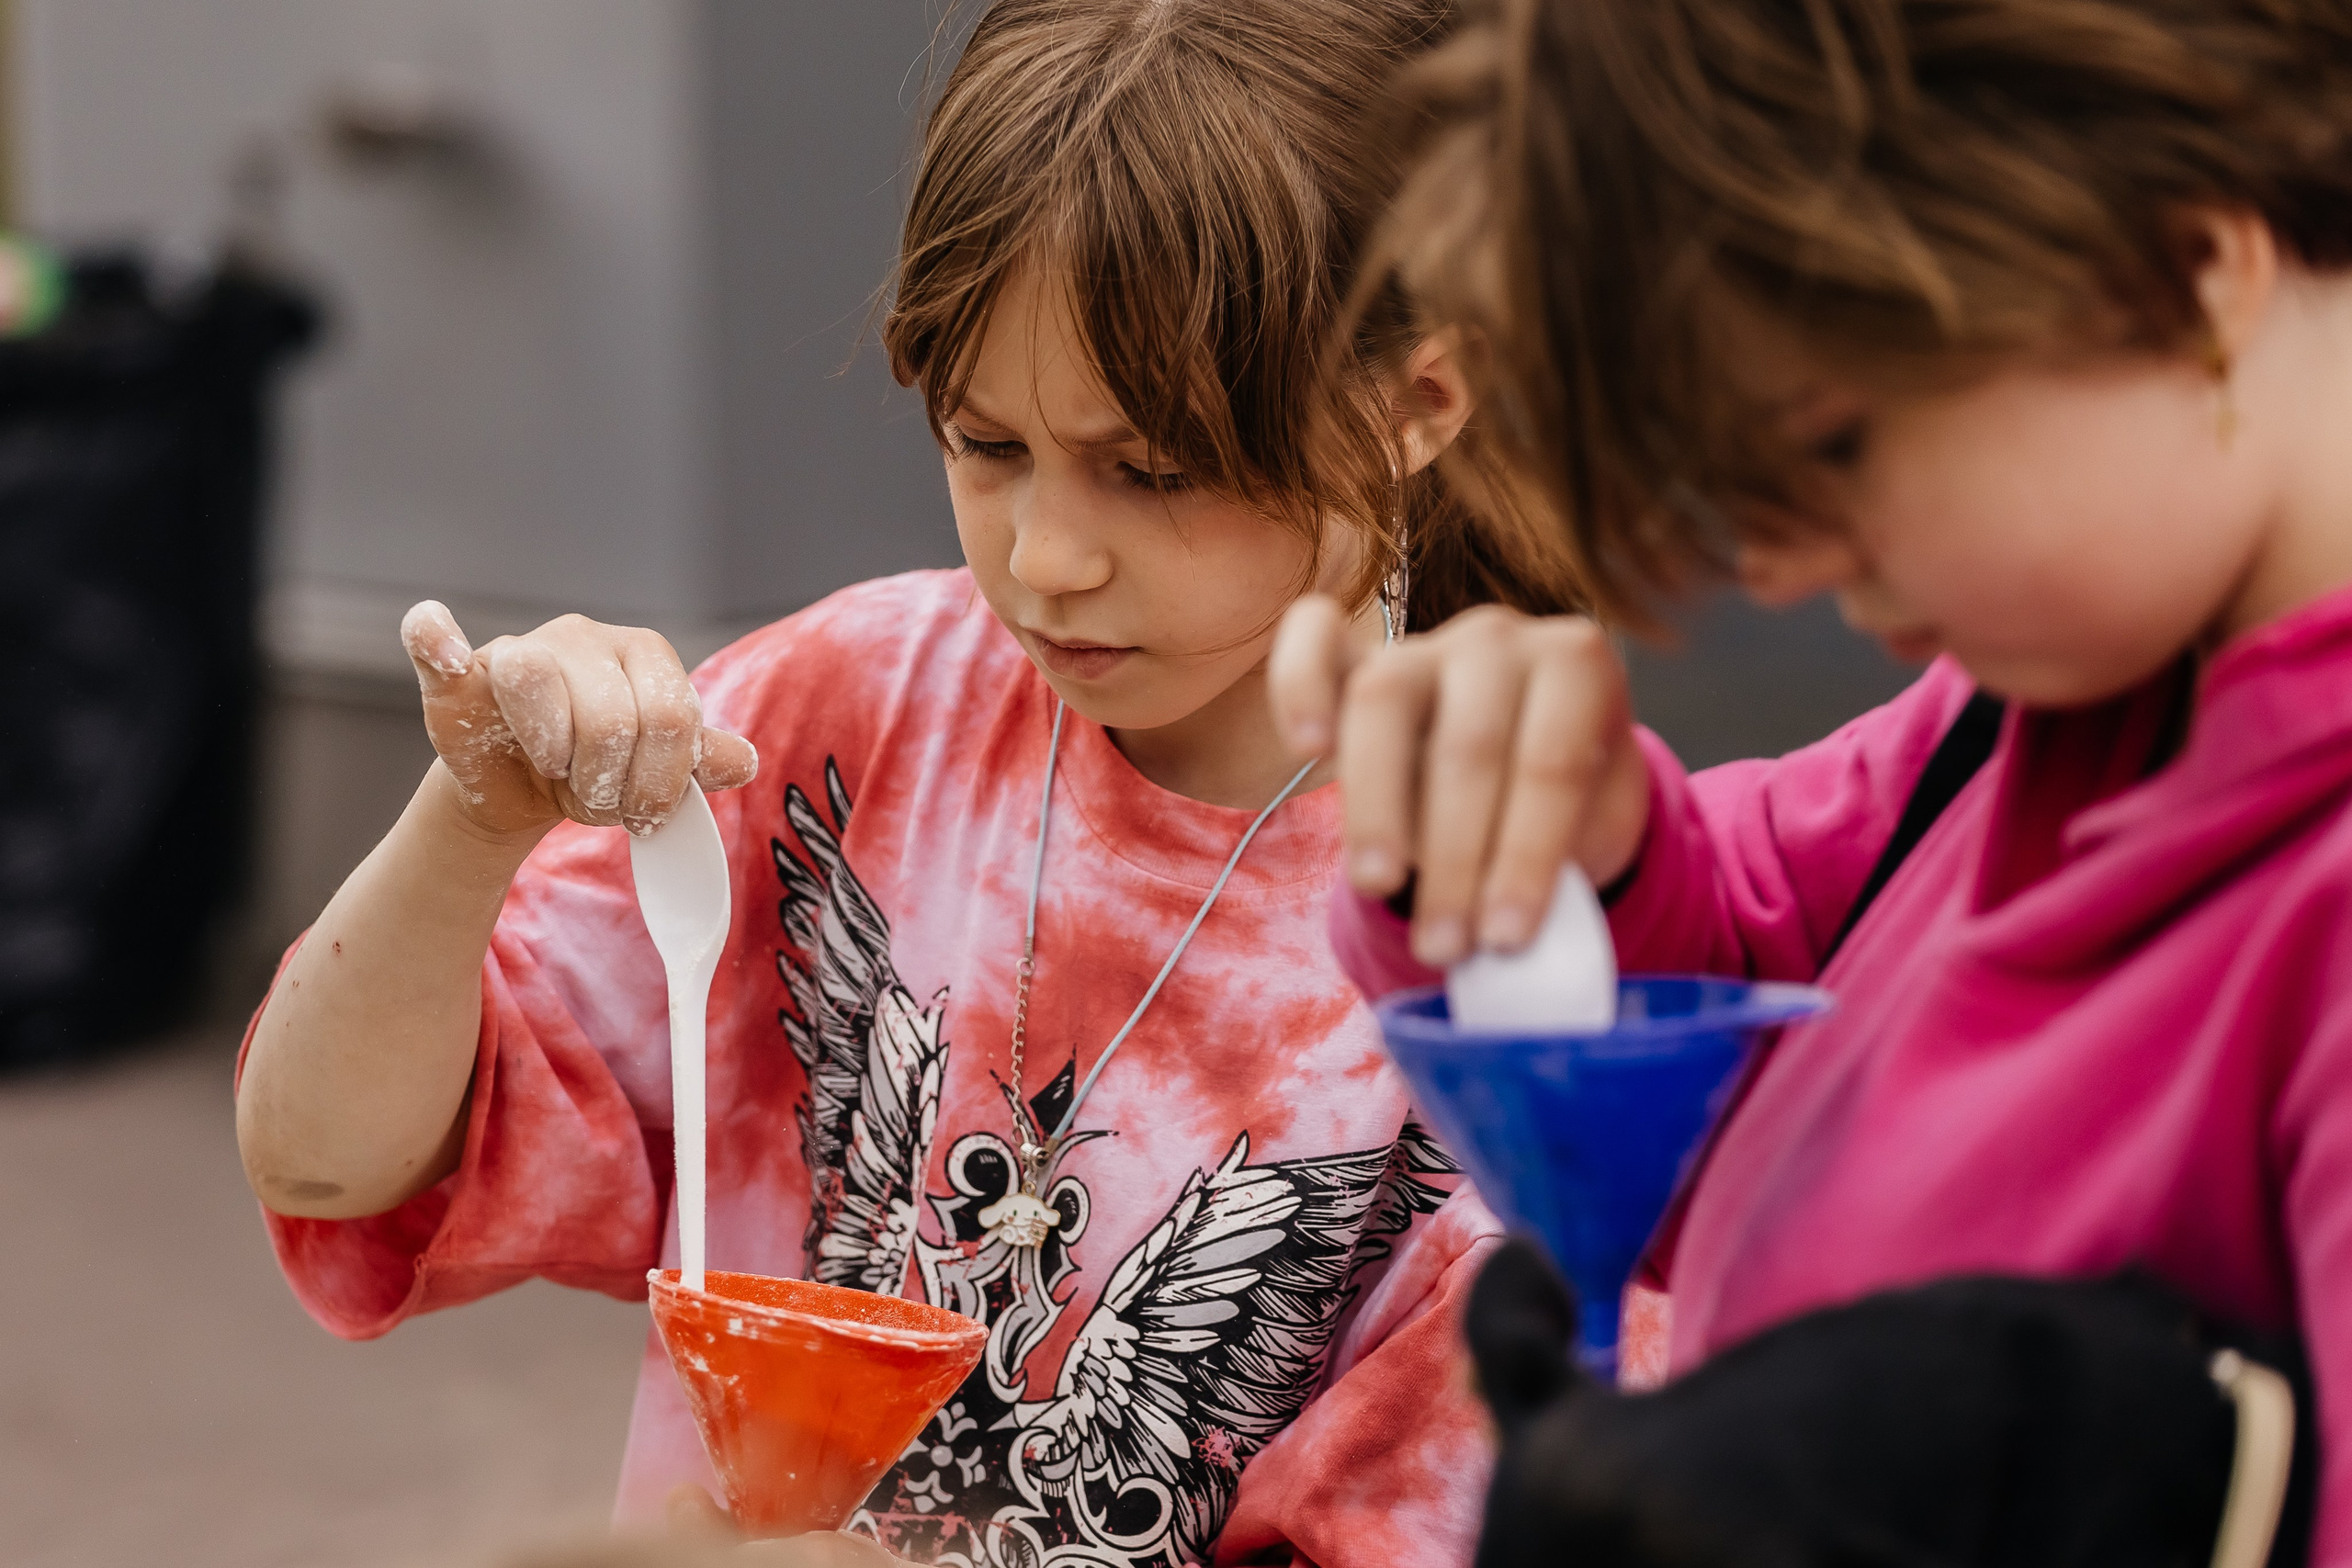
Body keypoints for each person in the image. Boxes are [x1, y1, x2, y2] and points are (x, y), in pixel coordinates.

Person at [233, 3, 1585, 1565]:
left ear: (1422, 398)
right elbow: (326, 1155)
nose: (1048, 556)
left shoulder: (1528, 947)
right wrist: (475, 825)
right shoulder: (852, 712)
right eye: (986, 443)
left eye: (1157, 471)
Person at [1270, 0, 2352, 1555]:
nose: (1776, 565)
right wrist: (1551, 866)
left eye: (1833, 444)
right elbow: (1755, 1050)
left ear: (2187, 273)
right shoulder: (2018, 712)